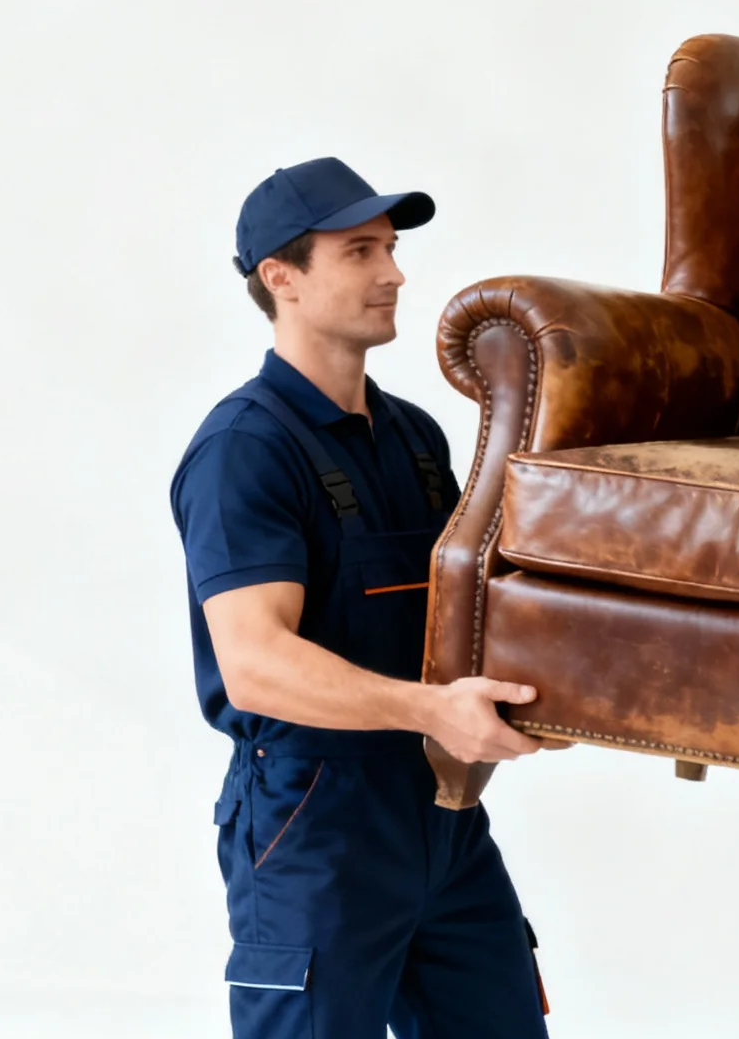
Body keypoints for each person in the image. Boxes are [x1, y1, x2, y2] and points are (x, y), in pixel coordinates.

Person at [170, 157, 562, 1038]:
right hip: (315, 824)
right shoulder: (245, 450)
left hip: (442, 815)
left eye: (390, 247)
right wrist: (433, 710)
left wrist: (557, 693)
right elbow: (256, 665)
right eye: (360, 252)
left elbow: (474, 611)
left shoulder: (415, 437)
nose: (394, 273)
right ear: (283, 279)